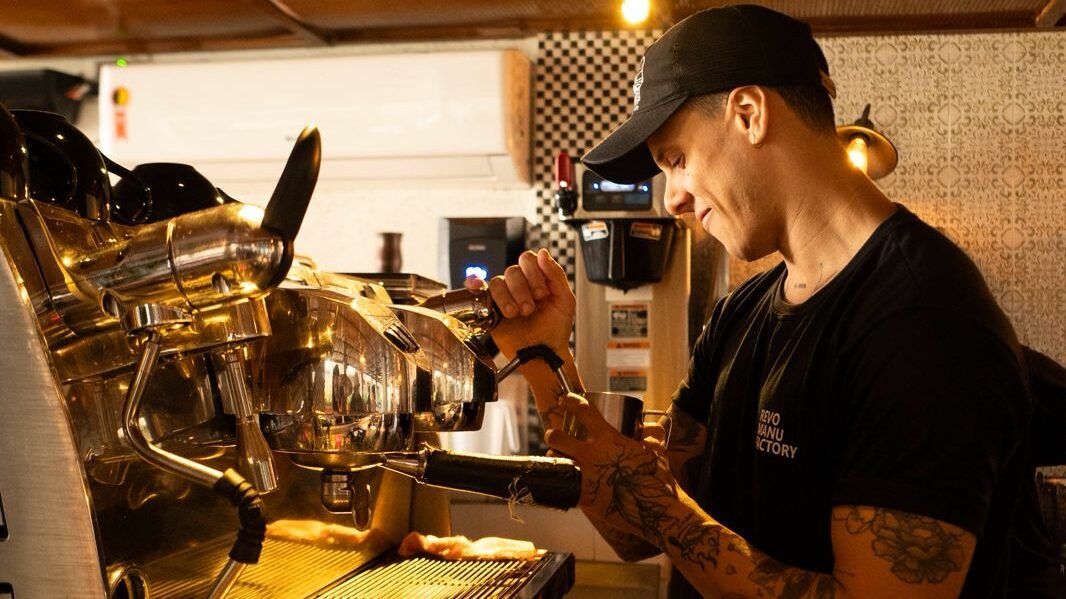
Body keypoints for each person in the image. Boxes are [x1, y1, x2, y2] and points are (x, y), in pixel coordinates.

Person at [470, 4, 1045, 599]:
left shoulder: (925, 323)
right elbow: (635, 533)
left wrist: (667, 511)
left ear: (748, 114)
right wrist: (543, 361)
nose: (673, 199)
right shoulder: (739, 315)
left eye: (677, 160)